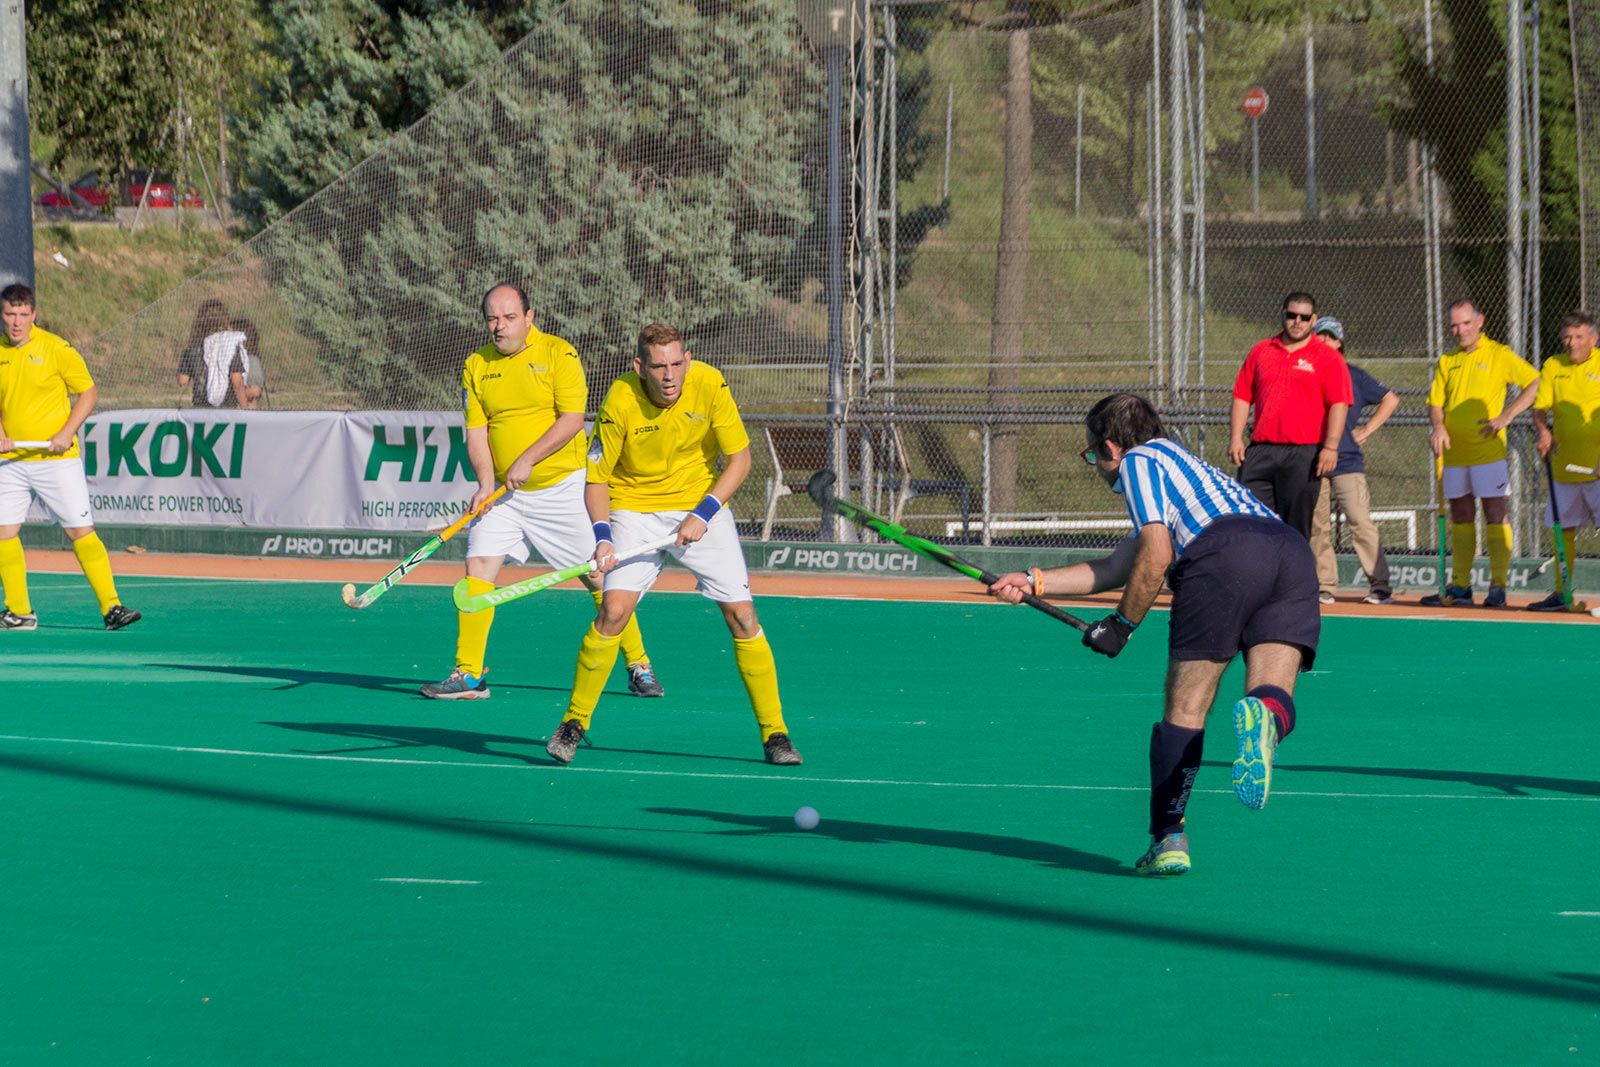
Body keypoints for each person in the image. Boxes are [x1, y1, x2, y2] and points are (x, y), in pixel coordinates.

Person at [988, 393, 1318, 876]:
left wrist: (1121, 626)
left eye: (1092, 455)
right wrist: (1032, 579)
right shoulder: (1187, 470)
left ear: (1109, 447)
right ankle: (1266, 721)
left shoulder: (1139, 461)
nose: (1098, 467)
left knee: (1186, 709)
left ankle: (1169, 838)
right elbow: (1119, 565)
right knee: (1270, 690)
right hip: (1290, 554)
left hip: (1221, 556)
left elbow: (1157, 555)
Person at [545, 323, 802, 766]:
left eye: (677, 364)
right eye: (659, 366)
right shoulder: (621, 399)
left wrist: (703, 513)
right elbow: (597, 478)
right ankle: (573, 722)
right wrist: (603, 537)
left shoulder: (709, 382)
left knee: (743, 616)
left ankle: (775, 733)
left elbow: (740, 459)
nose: (670, 376)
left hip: (699, 507)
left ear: (687, 360)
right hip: (634, 510)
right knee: (613, 611)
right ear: (639, 367)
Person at [420, 284, 663, 701]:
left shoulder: (559, 354)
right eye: (493, 319)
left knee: (597, 574)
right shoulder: (476, 364)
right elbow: (476, 432)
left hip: (562, 487)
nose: (500, 327)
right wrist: (483, 484)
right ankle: (469, 674)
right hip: (506, 496)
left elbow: (572, 419)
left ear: (530, 317)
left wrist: (529, 458)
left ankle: (639, 664)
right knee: (478, 565)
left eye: (509, 318)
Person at [0, 282, 141, 631]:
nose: (16, 322)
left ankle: (112, 608)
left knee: (80, 531)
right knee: (2, 533)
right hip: (11, 462)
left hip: (56, 462)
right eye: (9, 315)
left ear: (33, 315)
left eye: (22, 315)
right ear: (2, 316)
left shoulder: (57, 348)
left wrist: (66, 433)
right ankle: (19, 612)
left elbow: (89, 393)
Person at [1422, 299, 1540, 607]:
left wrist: (1507, 415)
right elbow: (1436, 405)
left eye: (1465, 323)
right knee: (1461, 515)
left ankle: (1498, 587)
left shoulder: (1499, 354)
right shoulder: (1447, 360)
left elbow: (1535, 382)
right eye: (1454, 325)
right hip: (1454, 456)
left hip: (1489, 455)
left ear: (1480, 321)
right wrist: (1439, 427)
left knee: (1495, 514)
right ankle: (1460, 586)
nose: (1459, 330)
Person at [1229, 291, 1353, 539]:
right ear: (1283, 315)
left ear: (1313, 320)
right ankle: (1257, 576)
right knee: (1249, 522)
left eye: (1304, 317)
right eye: (1292, 315)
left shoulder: (1327, 357)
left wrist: (1330, 446)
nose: (1297, 321)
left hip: (1303, 454)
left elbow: (1339, 403)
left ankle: (1293, 577)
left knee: (1295, 530)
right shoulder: (1261, 351)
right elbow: (1242, 396)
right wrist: (1235, 438)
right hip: (1260, 451)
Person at [1306, 316, 1398, 605]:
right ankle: (1324, 584)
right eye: (1319, 335)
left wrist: (1367, 429)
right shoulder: (1305, 372)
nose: (1324, 341)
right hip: (1311, 459)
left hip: (1346, 460)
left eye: (1330, 337)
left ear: (1339, 342)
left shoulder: (1354, 375)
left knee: (1359, 521)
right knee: (1317, 524)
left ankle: (1379, 585)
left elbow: (1390, 399)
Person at [1529, 310, 1600, 611]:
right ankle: (1562, 594)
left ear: (1594, 339)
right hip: (1564, 466)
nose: (1571, 343)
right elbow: (1540, 408)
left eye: (1579, 337)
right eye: (1567, 337)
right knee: (1563, 530)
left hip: (1597, 469)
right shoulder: (1553, 365)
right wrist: (1544, 431)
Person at [176, 299, 260, 409]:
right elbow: (237, 381)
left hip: (200, 406)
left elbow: (183, 380)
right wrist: (244, 407)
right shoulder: (230, 345)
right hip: (226, 407)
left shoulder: (193, 347)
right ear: (225, 319)